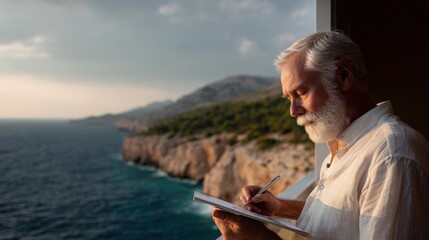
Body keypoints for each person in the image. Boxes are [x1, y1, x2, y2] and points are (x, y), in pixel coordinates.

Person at [212, 30, 429, 240]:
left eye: (301, 92)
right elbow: (346, 218)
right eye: (288, 98)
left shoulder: (391, 156)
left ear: (343, 76)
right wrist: (281, 207)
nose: (293, 111)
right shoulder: (345, 146)